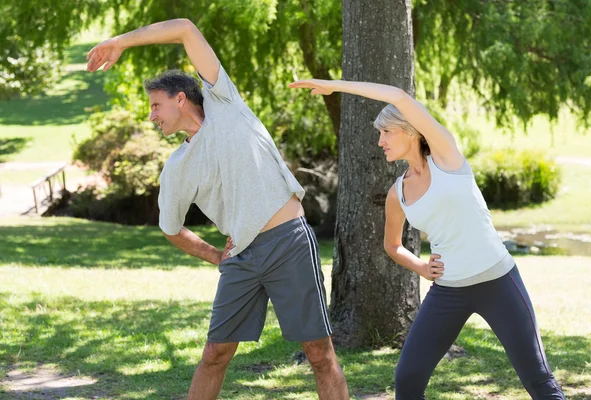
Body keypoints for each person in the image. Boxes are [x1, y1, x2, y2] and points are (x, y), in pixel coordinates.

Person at [87, 19, 349, 400]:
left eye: (155, 105)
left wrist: (121, 42)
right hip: (241, 256)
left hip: (288, 241)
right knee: (215, 354)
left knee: (318, 354)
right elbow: (171, 228)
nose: (151, 116)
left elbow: (184, 28)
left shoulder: (223, 101)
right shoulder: (177, 166)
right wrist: (215, 255)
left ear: (181, 98)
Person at [289, 78, 565, 400]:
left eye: (386, 132)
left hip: (499, 282)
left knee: (538, 380)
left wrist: (333, 86)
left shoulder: (447, 157)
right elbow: (392, 245)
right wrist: (420, 266)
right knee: (407, 381)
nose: (380, 141)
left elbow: (398, 96)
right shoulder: (398, 194)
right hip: (448, 292)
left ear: (412, 131)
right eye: (379, 134)